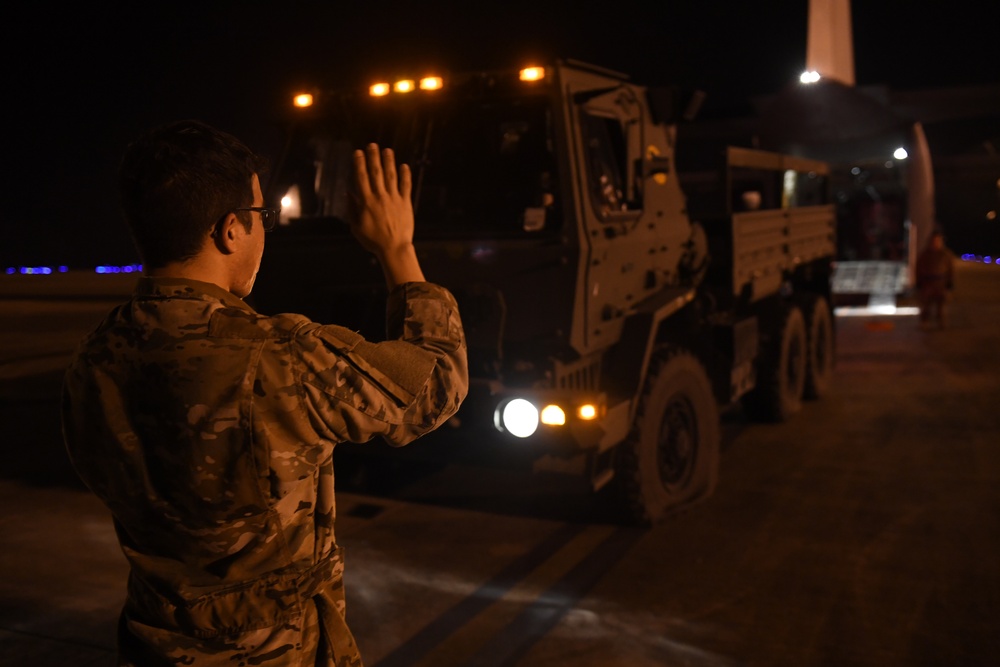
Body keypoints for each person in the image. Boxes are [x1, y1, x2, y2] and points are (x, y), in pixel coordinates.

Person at [61, 120, 468, 666]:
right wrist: (398, 251)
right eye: (261, 217)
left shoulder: (94, 357)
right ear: (230, 230)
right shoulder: (277, 356)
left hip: (151, 644)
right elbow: (437, 383)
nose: (263, 232)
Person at [915, 228, 955, 329]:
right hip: (927, 283)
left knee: (941, 306)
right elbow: (918, 268)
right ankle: (925, 322)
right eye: (933, 240)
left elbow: (951, 269)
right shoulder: (925, 254)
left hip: (941, 283)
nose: (935, 242)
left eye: (937, 240)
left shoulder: (946, 254)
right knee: (926, 305)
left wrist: (950, 282)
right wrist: (918, 282)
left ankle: (941, 323)